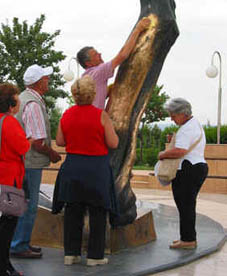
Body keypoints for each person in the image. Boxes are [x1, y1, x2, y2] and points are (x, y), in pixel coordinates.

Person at [54, 75, 119, 266]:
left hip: (72, 167)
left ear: (74, 95)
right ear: (93, 94)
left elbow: (59, 141)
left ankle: (71, 254)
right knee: (98, 212)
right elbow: (113, 142)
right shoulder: (101, 115)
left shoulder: (66, 114)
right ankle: (95, 256)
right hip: (96, 169)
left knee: (73, 211)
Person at [10, 64, 61, 258]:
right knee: (29, 205)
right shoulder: (33, 104)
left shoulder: (21, 99)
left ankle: (19, 242)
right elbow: (38, 142)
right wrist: (52, 154)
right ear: (39, 82)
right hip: (30, 163)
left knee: (20, 203)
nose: (48, 80)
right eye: (46, 78)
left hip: (20, 161)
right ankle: (19, 245)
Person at [158, 98, 208, 249]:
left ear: (183, 113)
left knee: (185, 205)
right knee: (187, 205)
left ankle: (188, 240)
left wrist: (163, 154)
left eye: (173, 114)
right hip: (196, 167)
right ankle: (187, 237)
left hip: (189, 169)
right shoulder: (193, 124)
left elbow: (180, 151)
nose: (171, 118)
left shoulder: (187, 128)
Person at [76, 17, 151, 110]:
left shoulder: (87, 76)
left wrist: (109, 89)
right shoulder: (98, 72)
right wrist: (138, 29)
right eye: (95, 55)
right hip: (93, 121)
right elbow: (122, 55)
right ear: (88, 63)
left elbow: (96, 97)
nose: (100, 54)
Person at [0, 83, 32, 276]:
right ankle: (4, 267)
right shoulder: (10, 122)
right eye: (17, 96)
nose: (19, 99)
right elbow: (22, 148)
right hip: (10, 179)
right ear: (11, 101)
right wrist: (28, 140)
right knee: (7, 226)